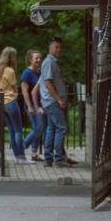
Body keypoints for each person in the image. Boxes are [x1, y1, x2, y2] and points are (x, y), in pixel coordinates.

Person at [32, 37, 68, 167]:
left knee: (51, 129)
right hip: (52, 102)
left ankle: (48, 159)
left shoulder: (53, 62)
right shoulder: (49, 62)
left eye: (60, 47)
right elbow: (47, 82)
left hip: (50, 101)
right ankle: (58, 160)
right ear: (50, 48)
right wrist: (59, 98)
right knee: (61, 128)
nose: (59, 49)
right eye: (56, 47)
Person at [0, 46, 27, 165]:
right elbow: (14, 87)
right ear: (11, 57)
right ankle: (21, 156)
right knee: (18, 130)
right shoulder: (10, 71)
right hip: (11, 101)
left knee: (11, 130)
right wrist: (15, 95)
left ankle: (17, 156)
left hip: (2, 103)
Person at [20, 49, 44, 161]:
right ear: (30, 60)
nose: (39, 60)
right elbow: (24, 91)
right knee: (37, 128)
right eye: (36, 58)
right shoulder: (27, 73)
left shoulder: (39, 72)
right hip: (31, 105)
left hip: (39, 104)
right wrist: (30, 107)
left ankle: (34, 153)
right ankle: (22, 148)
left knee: (39, 129)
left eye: (40, 58)